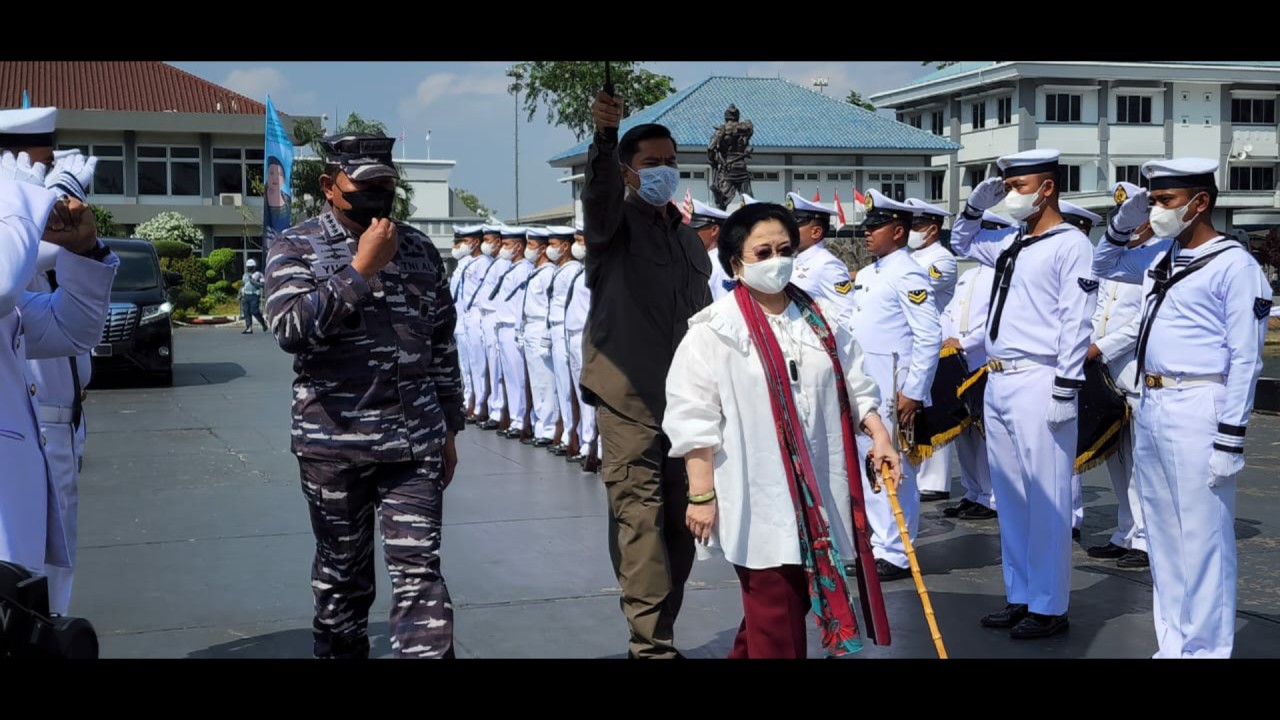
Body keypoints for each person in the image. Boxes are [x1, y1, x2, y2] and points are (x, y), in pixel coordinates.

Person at [663, 201, 896, 658]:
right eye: (762, 252)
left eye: (784, 250)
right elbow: (694, 417)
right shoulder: (715, 331)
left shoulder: (820, 318)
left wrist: (879, 434)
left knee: (772, 615)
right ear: (736, 263)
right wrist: (701, 494)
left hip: (819, 489)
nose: (776, 261)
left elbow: (856, 382)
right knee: (776, 612)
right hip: (758, 495)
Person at [263, 132, 464, 659]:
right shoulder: (295, 246)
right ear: (331, 185)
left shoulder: (419, 248)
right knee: (342, 581)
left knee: (420, 575)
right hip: (334, 445)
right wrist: (360, 271)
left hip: (413, 444)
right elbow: (289, 329)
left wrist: (449, 425)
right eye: (365, 183)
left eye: (386, 184)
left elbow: (441, 340)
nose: (377, 195)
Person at [1092, 158, 1268, 659]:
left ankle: (1208, 649)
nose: (1159, 210)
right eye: (1154, 200)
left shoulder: (1235, 265)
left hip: (1199, 404)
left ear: (1200, 202)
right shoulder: (1161, 257)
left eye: (1165, 201)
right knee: (1166, 538)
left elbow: (1245, 358)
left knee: (1204, 538)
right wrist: (1127, 218)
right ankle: (1175, 644)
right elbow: (1102, 266)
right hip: (1152, 401)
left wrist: (1230, 438)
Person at [581, 91, 712, 659]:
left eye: (670, 161)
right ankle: (650, 647)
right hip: (630, 400)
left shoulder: (684, 235)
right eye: (651, 163)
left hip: (687, 404)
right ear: (630, 172)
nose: (664, 170)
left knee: (682, 529)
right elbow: (600, 195)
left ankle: (662, 630)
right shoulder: (614, 226)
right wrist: (606, 140)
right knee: (640, 522)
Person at [950, 149, 1095, 639]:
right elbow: (961, 243)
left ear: (1047, 188)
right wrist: (973, 208)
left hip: (1041, 377)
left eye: (1018, 186)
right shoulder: (1013, 241)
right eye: (1007, 187)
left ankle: (1051, 604)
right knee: (1010, 496)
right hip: (1000, 378)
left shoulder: (1069, 243)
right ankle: (1021, 595)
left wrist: (1066, 386)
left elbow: (1077, 321)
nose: (1011, 195)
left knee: (1047, 497)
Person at [1, 107, 118, 612]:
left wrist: (86, 249)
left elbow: (72, 327)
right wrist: (21, 200)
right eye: (35, 172)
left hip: (36, 454)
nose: (47, 188)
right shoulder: (13, 229)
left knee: (40, 604)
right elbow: (5, 280)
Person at [845, 189, 942, 580]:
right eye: (866, 228)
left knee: (894, 469)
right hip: (867, 381)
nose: (867, 234)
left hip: (893, 383)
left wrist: (915, 390)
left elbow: (929, 335)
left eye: (875, 227)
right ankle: (877, 543)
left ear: (898, 232)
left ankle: (898, 551)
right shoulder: (870, 274)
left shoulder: (909, 272)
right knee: (870, 464)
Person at [1075, 185, 1151, 569]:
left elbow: (1139, 325)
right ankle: (1125, 531)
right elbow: (1097, 311)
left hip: (1133, 372)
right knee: (1116, 459)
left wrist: (1098, 348)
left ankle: (1144, 539)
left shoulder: (1155, 261)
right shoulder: (1117, 264)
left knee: (1139, 462)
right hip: (1106, 373)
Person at [937, 211, 1011, 522]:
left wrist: (964, 343)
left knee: (985, 433)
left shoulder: (1004, 273)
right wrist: (945, 339)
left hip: (981, 359)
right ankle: (973, 490)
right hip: (957, 360)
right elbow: (950, 311)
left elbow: (998, 319)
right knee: (963, 433)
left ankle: (990, 495)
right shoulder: (969, 275)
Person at [904, 198, 958, 503]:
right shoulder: (910, 258)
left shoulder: (943, 259)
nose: (913, 231)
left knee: (932, 408)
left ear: (933, 229)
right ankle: (918, 471)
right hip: (911, 342)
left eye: (917, 226)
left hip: (933, 341)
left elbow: (920, 287)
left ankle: (935, 480)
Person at [1058, 200, 1104, 537]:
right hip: (1067, 360)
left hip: (1096, 363)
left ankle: (1071, 515)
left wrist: (1099, 346)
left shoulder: (1092, 262)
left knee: (1074, 448)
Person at [786, 193, 857, 324]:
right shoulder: (794, 261)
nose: (787, 231)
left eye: (794, 226)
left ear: (816, 232)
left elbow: (847, 313)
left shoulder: (827, 264)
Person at [519, 227, 560, 448]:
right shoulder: (536, 271)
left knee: (545, 382)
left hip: (541, 328)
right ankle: (540, 425)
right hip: (530, 328)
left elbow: (548, 307)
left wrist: (546, 335)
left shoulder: (548, 273)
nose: (528, 251)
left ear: (543, 249)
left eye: (531, 246)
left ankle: (549, 428)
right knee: (536, 381)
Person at [491, 227, 532, 440]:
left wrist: (519, 330)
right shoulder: (512, 268)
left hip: (513, 328)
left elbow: (521, 303)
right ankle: (515, 418)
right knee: (509, 377)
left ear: (518, 246)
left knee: (518, 378)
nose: (503, 248)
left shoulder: (523, 269)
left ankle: (521, 420)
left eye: (506, 245)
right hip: (502, 328)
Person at [565, 223, 600, 472]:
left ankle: (593, 446)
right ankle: (587, 442)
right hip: (573, 335)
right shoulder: (582, 270)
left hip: (589, 337)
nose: (578, 245)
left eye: (581, 240)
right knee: (579, 394)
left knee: (590, 394)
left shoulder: (598, 271)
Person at [547, 226, 582, 457]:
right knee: (562, 387)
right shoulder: (565, 270)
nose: (550, 249)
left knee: (577, 391)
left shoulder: (574, 271)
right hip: (561, 331)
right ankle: (571, 433)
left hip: (575, 332)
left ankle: (582, 439)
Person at [476, 226, 511, 431]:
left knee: (497, 369)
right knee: (485, 366)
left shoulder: (504, 265)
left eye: (488, 240)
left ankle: (499, 411)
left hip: (497, 318)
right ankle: (489, 407)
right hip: (485, 318)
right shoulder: (495, 263)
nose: (485, 244)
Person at [461, 225, 496, 424]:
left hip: (479, 315)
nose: (462, 246)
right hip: (467, 316)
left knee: (481, 366)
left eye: (465, 241)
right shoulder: (467, 263)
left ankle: (483, 405)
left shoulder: (484, 263)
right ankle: (472, 400)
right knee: (470, 365)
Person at [449, 226, 480, 416]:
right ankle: (468, 399)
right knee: (465, 366)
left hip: (472, 320)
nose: (457, 247)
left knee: (475, 366)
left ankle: (475, 402)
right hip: (461, 321)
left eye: (462, 243)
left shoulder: (477, 263)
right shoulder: (461, 265)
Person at [689, 199, 732, 300]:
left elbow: (722, 304)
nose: (691, 234)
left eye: (696, 230)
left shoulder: (720, 263)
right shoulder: (705, 258)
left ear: (714, 230)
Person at [239, 258, 267, 334]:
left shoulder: (258, 274)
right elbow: (242, 285)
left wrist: (254, 282)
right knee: (246, 312)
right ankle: (249, 328)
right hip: (246, 295)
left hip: (254, 295)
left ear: (254, 267)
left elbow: (262, 284)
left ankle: (263, 323)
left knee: (255, 311)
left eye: (251, 267)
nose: (249, 268)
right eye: (248, 267)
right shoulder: (245, 275)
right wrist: (239, 295)